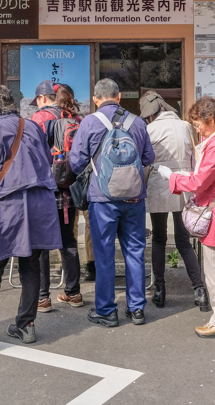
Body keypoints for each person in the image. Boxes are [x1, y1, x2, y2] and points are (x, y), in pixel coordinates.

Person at [0, 85, 61, 352]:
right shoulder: (32, 127)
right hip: (42, 203)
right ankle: (26, 325)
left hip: (12, 203)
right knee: (31, 266)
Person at [161, 96, 215, 338]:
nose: (198, 129)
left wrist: (173, 177)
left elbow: (200, 182)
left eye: (199, 124)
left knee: (214, 269)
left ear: (210, 120)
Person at [69, 78, 155, 328]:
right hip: (134, 198)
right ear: (118, 97)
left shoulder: (89, 122)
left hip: (102, 199)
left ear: (96, 99)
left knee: (105, 255)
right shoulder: (137, 122)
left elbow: (76, 163)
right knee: (135, 252)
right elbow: (149, 157)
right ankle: (137, 309)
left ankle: (107, 311)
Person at [139, 90, 206, 309]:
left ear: (152, 113)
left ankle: (159, 289)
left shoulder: (150, 129)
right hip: (185, 183)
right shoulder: (186, 126)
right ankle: (199, 290)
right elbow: (193, 157)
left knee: (159, 239)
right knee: (183, 241)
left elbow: (146, 162)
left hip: (160, 184)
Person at [37, 84, 85, 313]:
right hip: (70, 188)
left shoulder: (40, 118)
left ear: (42, 98)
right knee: (68, 240)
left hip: (45, 189)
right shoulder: (77, 119)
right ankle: (73, 293)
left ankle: (42, 297)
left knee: (41, 244)